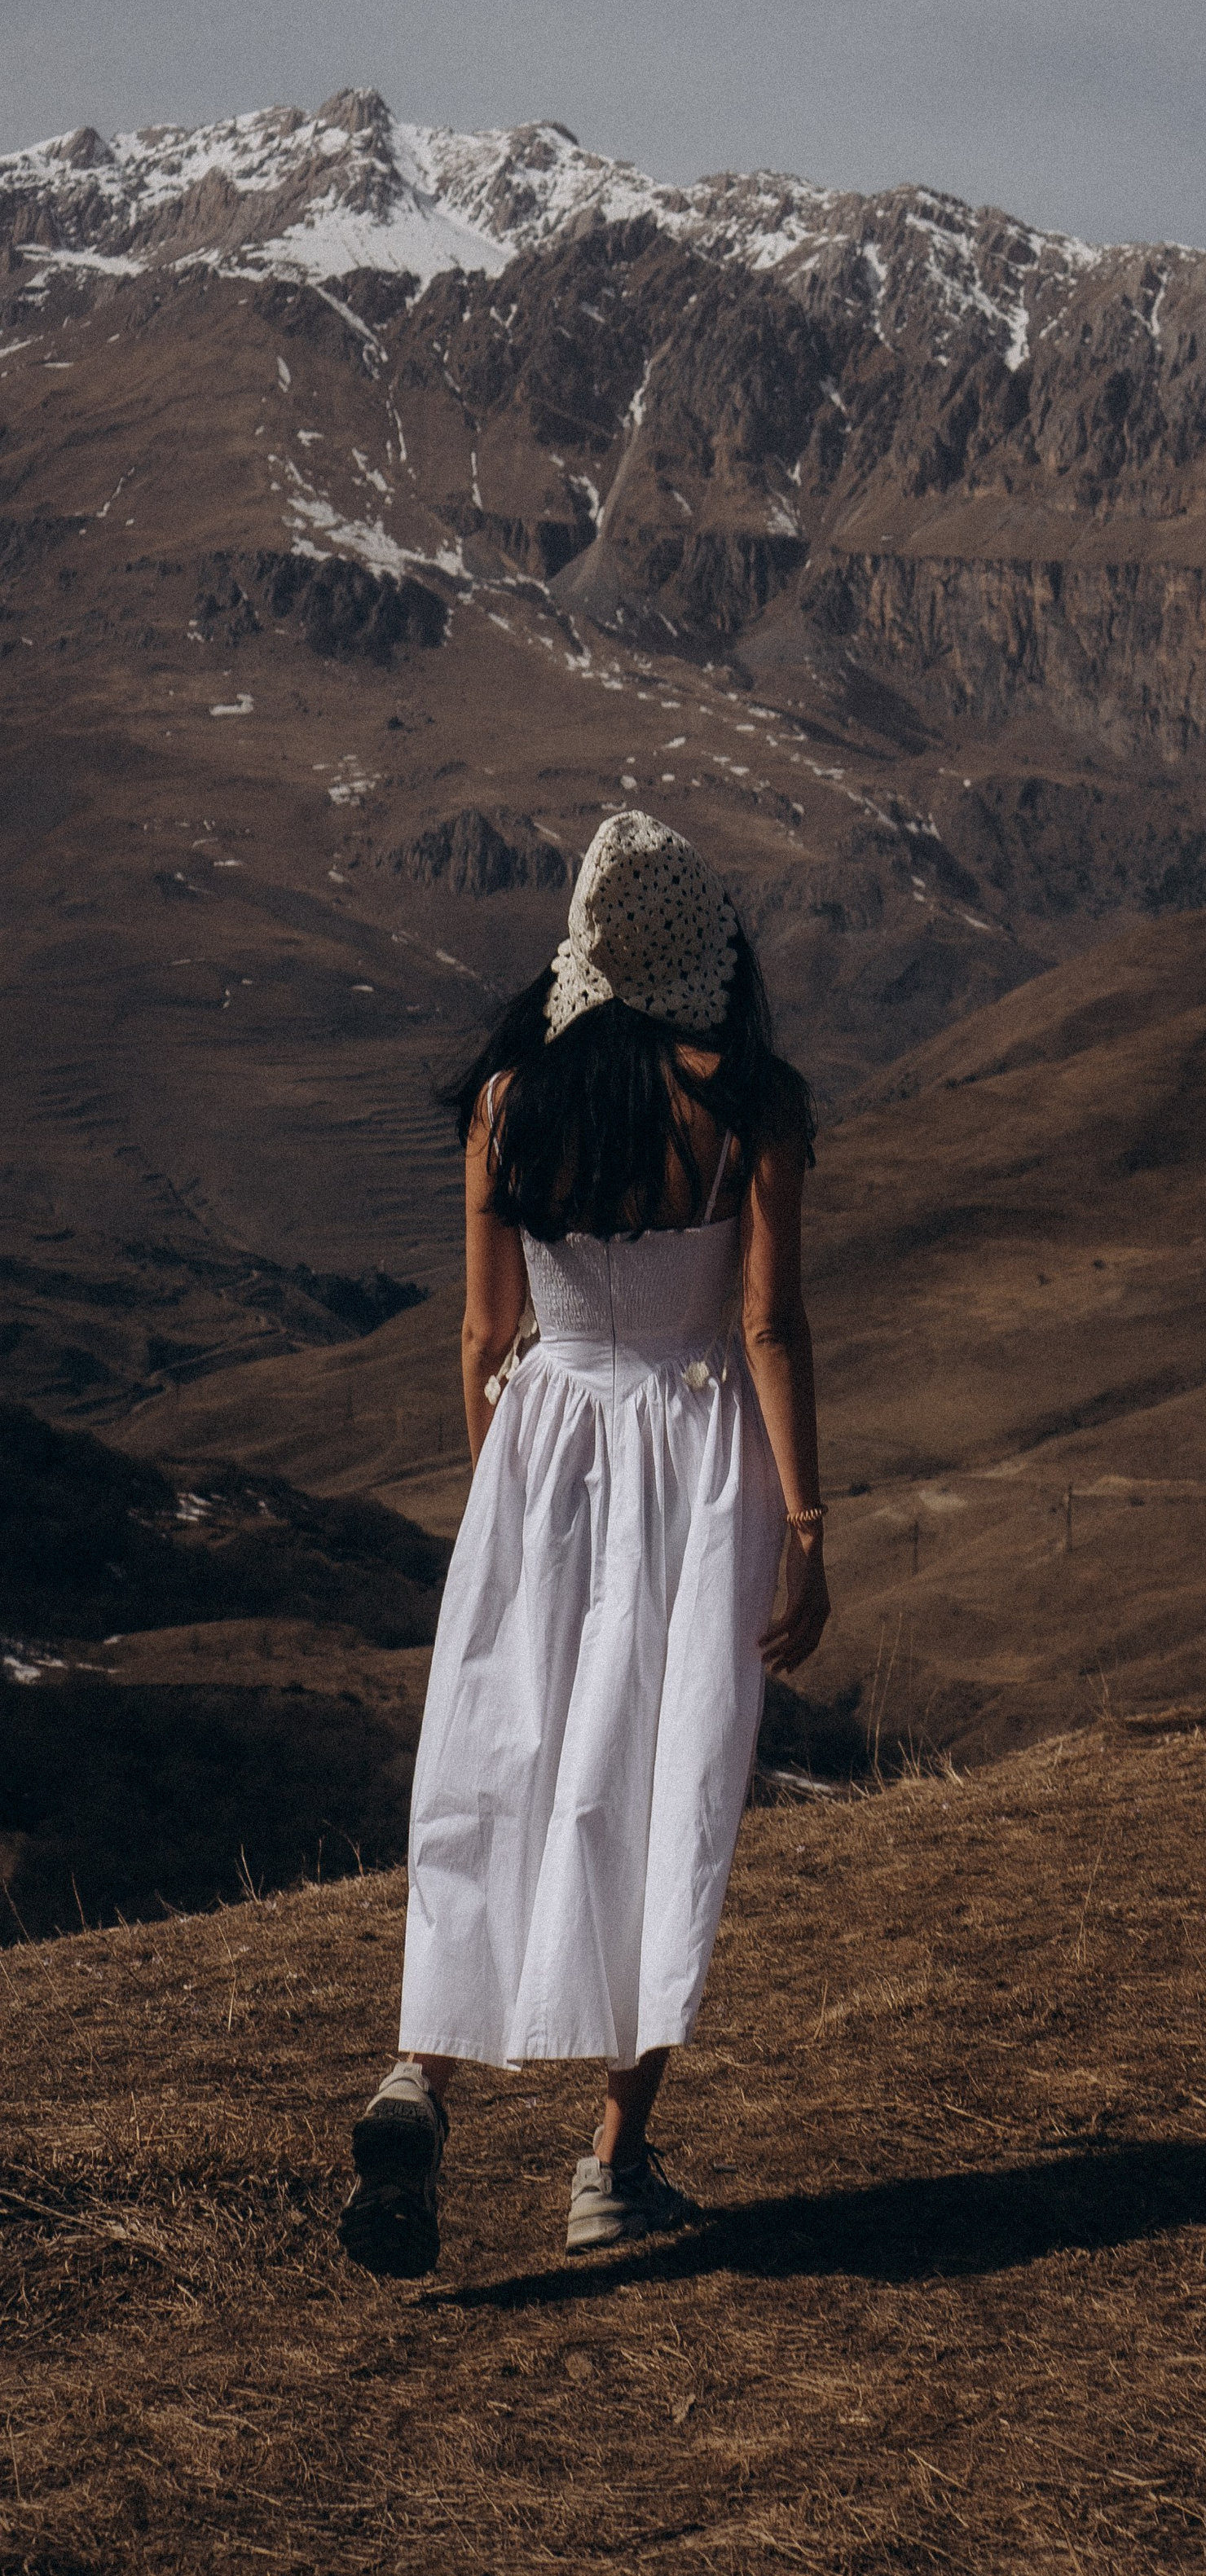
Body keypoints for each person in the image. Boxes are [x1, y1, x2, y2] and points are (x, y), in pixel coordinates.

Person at [339, 811, 828, 2277]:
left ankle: (419, 2072)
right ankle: (614, 2159)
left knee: (494, 1764)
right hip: (693, 1459)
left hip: (546, 1444)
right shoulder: (751, 1111)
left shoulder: (507, 1105)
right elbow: (765, 1326)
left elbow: (488, 1336)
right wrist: (805, 1524)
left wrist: (510, 1511)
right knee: (665, 1781)